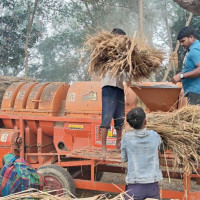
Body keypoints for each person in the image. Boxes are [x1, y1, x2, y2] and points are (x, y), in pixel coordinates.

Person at [121, 107, 163, 200]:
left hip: (135, 186)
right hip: (153, 186)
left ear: (131, 125)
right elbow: (161, 149)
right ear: (145, 121)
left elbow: (124, 158)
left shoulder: (126, 138)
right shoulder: (155, 136)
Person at [100, 28, 131, 154]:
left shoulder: (124, 56)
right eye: (120, 38)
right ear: (115, 37)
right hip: (108, 87)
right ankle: (103, 147)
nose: (122, 40)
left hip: (119, 87)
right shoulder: (106, 52)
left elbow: (127, 77)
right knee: (106, 117)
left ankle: (118, 145)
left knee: (120, 118)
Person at [171, 26, 200, 105]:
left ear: (191, 37)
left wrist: (181, 76)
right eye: (180, 42)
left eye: (183, 41)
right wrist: (180, 74)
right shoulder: (193, 49)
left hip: (197, 92)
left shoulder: (195, 50)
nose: (181, 44)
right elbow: (192, 69)